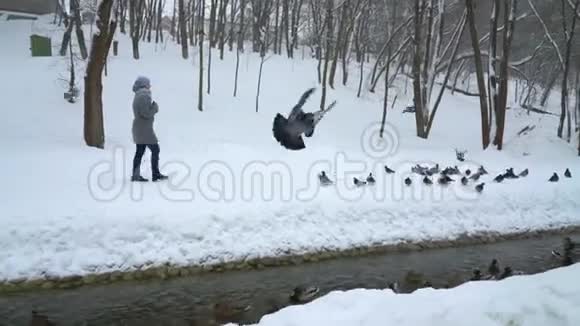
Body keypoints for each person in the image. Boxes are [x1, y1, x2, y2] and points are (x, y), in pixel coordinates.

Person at [131, 76, 168, 182]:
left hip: (141, 127)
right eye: (148, 83)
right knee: (155, 149)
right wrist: (155, 108)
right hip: (144, 129)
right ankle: (155, 174)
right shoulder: (144, 95)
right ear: (144, 84)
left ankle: (136, 175)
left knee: (140, 151)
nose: (150, 85)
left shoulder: (139, 95)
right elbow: (146, 113)